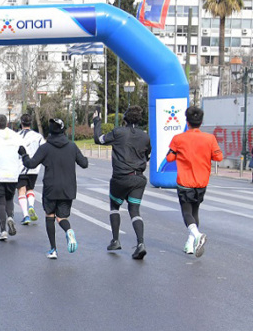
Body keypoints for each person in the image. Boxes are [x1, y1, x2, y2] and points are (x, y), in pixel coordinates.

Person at [19, 118, 88, 259]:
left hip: (51, 188)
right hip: (68, 188)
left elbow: (31, 164)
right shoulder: (72, 146)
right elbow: (84, 163)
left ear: (50, 131)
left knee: (50, 216)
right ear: (63, 130)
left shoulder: (45, 148)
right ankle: (68, 230)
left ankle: (53, 249)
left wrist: (24, 154)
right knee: (62, 217)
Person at [93, 106, 152, 259]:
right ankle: (140, 243)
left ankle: (115, 240)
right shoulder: (145, 136)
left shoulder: (118, 132)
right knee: (134, 210)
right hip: (138, 179)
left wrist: (97, 121)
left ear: (125, 119)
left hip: (120, 178)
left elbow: (98, 139)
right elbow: (148, 155)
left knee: (114, 206)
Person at [165, 105, 224, 257]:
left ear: (187, 121)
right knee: (195, 210)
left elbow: (169, 158)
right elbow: (219, 157)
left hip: (185, 181)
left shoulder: (178, 139)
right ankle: (190, 245)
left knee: (186, 212)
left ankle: (197, 236)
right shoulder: (209, 139)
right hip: (202, 181)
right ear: (201, 121)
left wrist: (179, 154)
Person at [17, 114, 45, 225]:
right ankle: (31, 206)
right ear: (31, 122)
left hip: (20, 167)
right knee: (30, 189)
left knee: (21, 190)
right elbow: (43, 149)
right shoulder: (38, 136)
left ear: (21, 122)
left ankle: (26, 215)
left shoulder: (16, 136)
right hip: (34, 167)